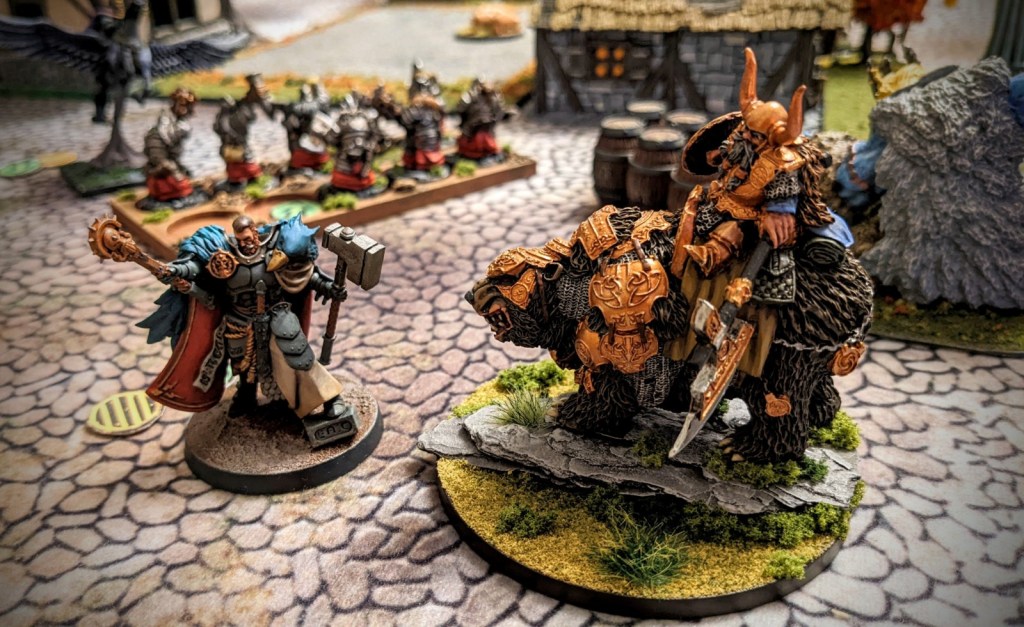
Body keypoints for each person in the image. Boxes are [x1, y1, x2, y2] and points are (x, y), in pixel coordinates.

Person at [140, 214, 358, 445]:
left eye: (249, 237)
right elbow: (195, 268)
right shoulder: (223, 254)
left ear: (255, 231)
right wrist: (176, 271)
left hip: (277, 316)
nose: (247, 243)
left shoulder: (276, 250)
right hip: (240, 319)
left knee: (299, 358)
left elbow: (303, 274)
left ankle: (331, 398)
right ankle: (246, 395)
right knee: (242, 363)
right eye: (241, 240)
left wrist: (328, 287)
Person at [142, 86, 199, 204]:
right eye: (182, 105)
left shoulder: (181, 124)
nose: (185, 110)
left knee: (184, 178)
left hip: (171, 160)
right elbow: (158, 157)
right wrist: (172, 169)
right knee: (177, 181)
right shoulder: (161, 129)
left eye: (188, 106)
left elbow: (174, 151)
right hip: (160, 165)